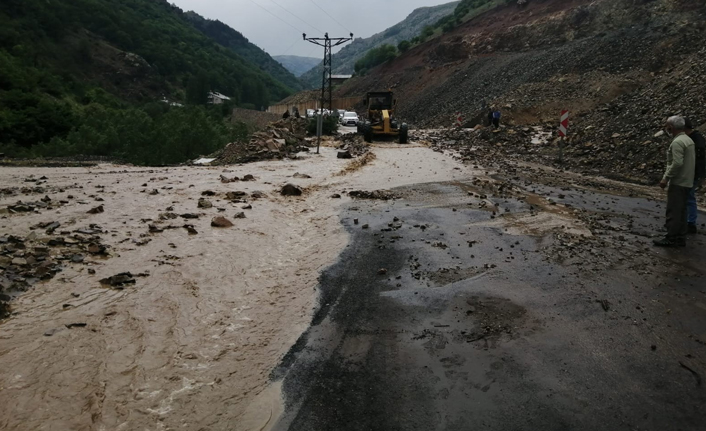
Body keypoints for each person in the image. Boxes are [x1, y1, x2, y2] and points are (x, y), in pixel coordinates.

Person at [654, 116, 696, 247]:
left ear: (671, 127)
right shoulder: (688, 140)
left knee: (674, 210)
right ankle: (680, 237)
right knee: (683, 211)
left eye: (667, 125)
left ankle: (671, 237)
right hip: (687, 180)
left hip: (678, 181)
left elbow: (677, 163)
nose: (666, 128)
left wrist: (665, 178)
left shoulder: (677, 142)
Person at [685, 118, 705, 233]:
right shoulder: (696, 138)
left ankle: (690, 223)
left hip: (693, 172)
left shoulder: (696, 140)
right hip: (694, 172)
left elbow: (698, 159)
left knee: (689, 197)